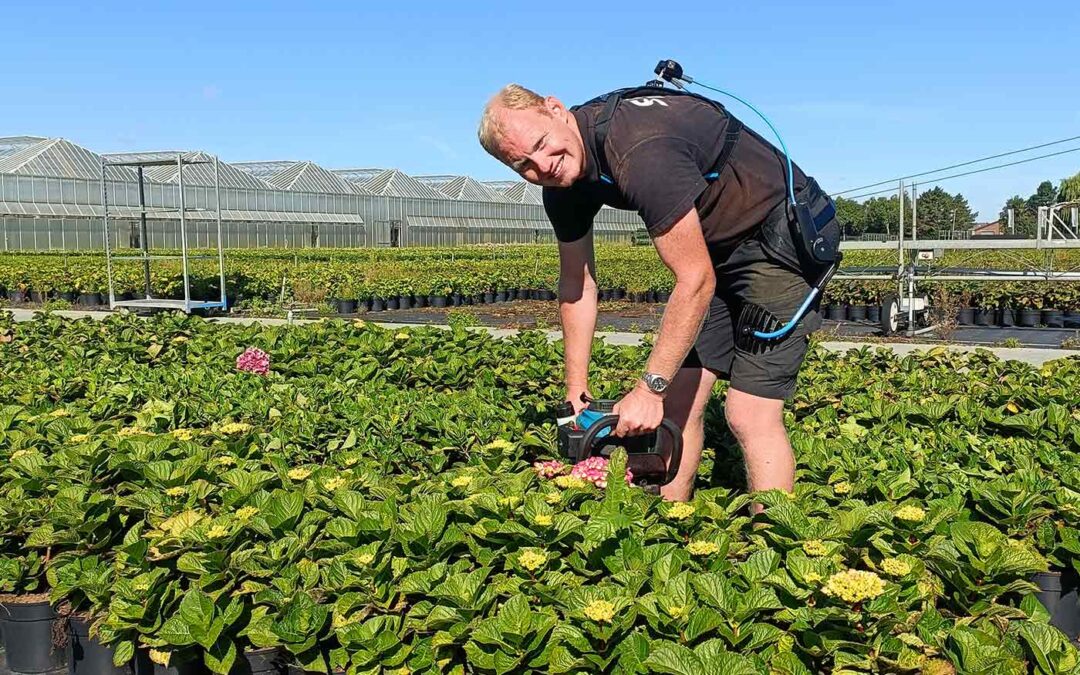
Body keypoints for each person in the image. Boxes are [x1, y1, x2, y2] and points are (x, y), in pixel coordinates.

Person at [477, 82, 837, 507]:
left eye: (542, 144)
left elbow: (695, 279)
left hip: (781, 237)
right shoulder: (562, 184)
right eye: (524, 165)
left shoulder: (640, 150)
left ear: (555, 109)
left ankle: (772, 552)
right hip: (717, 248)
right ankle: (667, 530)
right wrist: (576, 393)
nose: (543, 165)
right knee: (680, 396)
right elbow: (577, 286)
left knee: (747, 412)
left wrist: (649, 389)